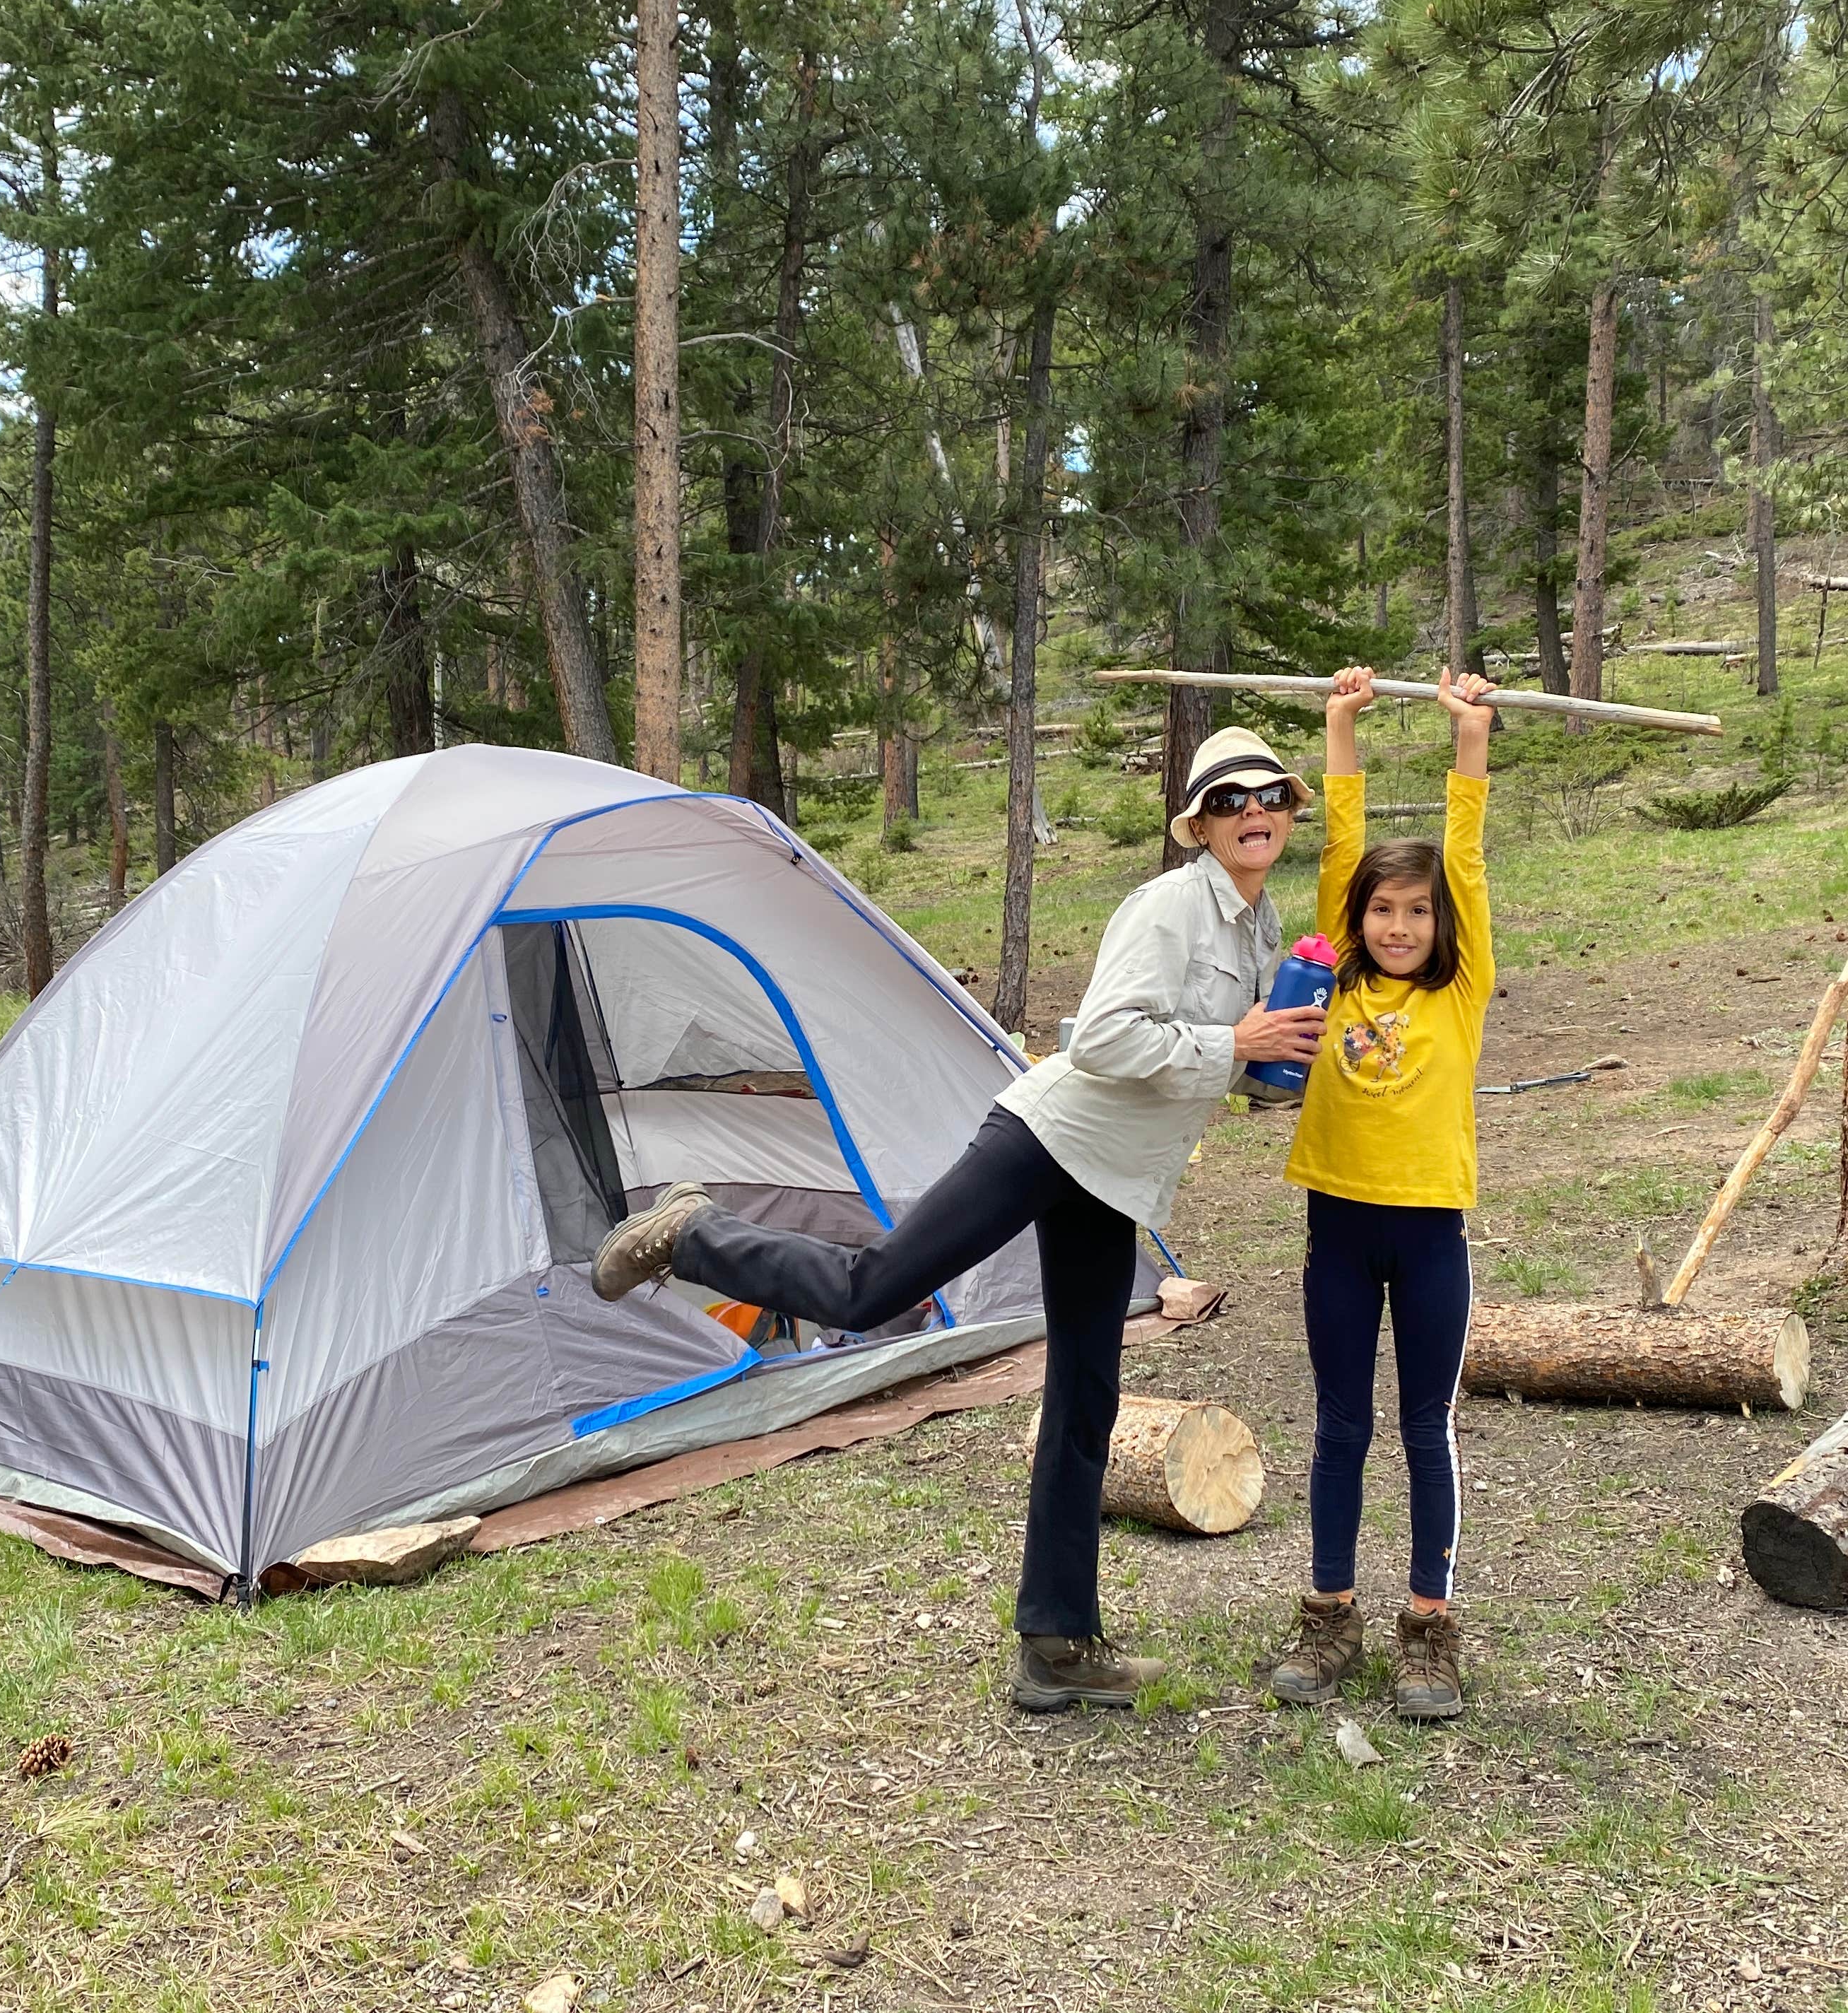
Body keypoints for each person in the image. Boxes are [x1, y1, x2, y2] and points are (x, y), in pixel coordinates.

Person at [590, 727, 1331, 1713]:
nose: (1256, 814)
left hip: (1111, 1180)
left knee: (1084, 1402)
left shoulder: (1259, 928)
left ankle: (1056, 1642)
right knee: (876, 1285)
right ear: (1200, 824)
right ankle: (695, 1233)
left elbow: (1191, 1059)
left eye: (1272, 797)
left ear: (1288, 815)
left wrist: (1266, 1066)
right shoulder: (1167, 908)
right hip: (1046, 1137)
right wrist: (1230, 1039)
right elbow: (1105, 1039)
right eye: (1233, 801)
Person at [1266, 664, 1499, 1721]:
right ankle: (1329, 1613)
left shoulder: (1460, 988)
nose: (1399, 924)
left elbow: (1469, 856)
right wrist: (1340, 726)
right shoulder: (1341, 977)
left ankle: (1429, 1628)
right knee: (1338, 1425)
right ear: (1355, 921)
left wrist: (1468, 744)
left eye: (1417, 912)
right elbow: (1341, 847)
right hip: (1339, 1227)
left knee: (1424, 1427)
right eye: (1382, 910)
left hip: (1432, 1233)